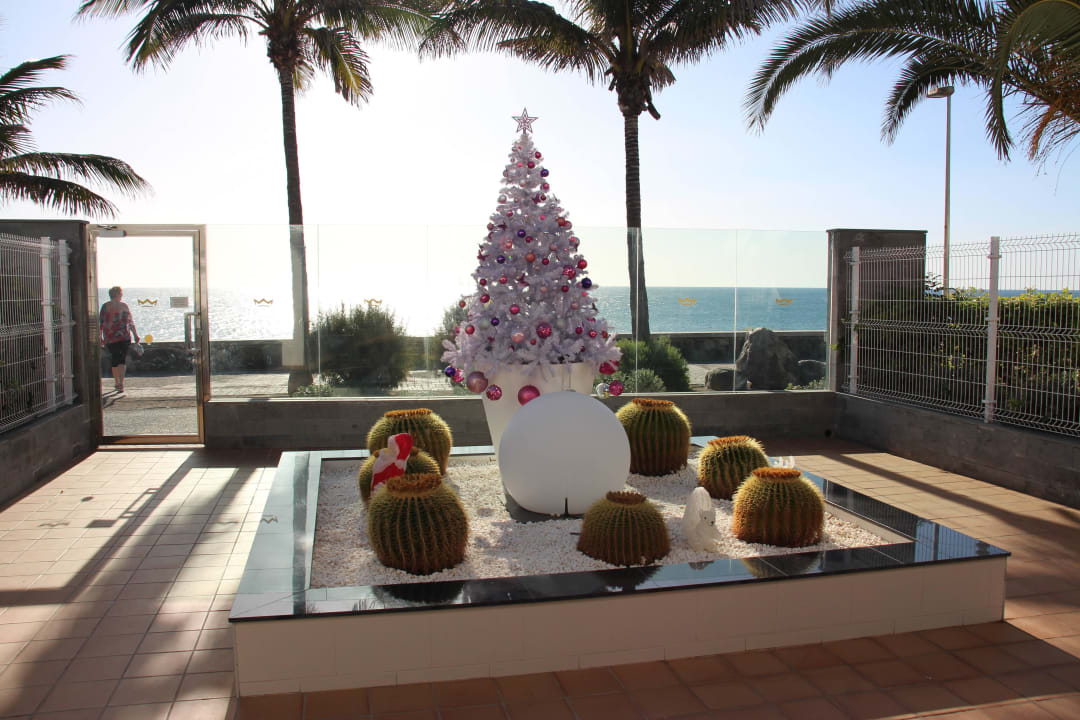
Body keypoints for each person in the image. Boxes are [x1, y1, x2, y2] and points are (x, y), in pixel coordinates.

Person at [100, 286, 139, 393]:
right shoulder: (124, 306)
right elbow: (130, 322)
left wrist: (100, 336)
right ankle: (120, 383)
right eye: (121, 293)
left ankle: (117, 382)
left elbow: (101, 323)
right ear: (117, 294)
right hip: (124, 337)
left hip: (110, 338)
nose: (122, 295)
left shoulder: (105, 306)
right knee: (121, 360)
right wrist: (135, 335)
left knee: (115, 360)